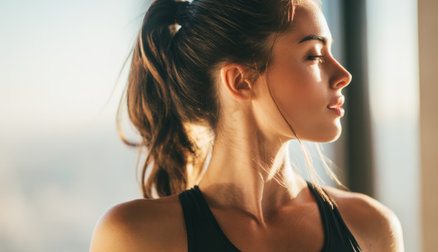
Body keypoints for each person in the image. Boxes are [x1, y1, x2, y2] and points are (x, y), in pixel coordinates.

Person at [89, 0, 405, 251]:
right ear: (240, 81)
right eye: (313, 55)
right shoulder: (136, 238)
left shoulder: (371, 228)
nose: (343, 75)